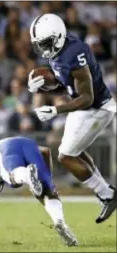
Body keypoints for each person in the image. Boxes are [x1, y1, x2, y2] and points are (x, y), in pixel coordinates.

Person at [28, 14, 117, 224]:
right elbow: (68, 85)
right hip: (85, 107)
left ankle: (107, 195)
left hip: (97, 108)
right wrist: (43, 86)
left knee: (66, 156)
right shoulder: (61, 50)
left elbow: (87, 98)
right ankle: (107, 194)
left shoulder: (74, 54)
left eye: (45, 44)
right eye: (39, 45)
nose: (43, 49)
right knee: (70, 152)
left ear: (57, 37)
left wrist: (56, 110)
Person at [0, 136, 77, 247]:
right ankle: (60, 222)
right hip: (28, 143)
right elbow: (46, 151)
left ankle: (26, 174)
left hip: (5, 148)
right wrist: (47, 179)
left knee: (12, 179)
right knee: (47, 192)